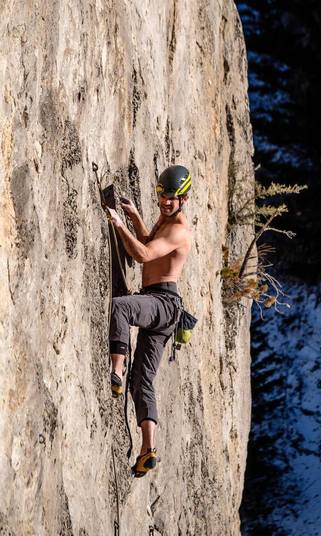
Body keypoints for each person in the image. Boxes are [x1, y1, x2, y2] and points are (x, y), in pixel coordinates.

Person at [107, 165, 192, 477]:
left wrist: (118, 226)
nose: (165, 202)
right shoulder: (165, 219)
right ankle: (147, 450)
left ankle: (116, 370)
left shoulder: (179, 228)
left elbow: (143, 254)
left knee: (121, 307)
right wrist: (133, 217)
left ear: (184, 198)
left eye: (172, 198)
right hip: (163, 307)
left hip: (163, 302)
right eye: (162, 197)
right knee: (142, 382)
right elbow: (148, 240)